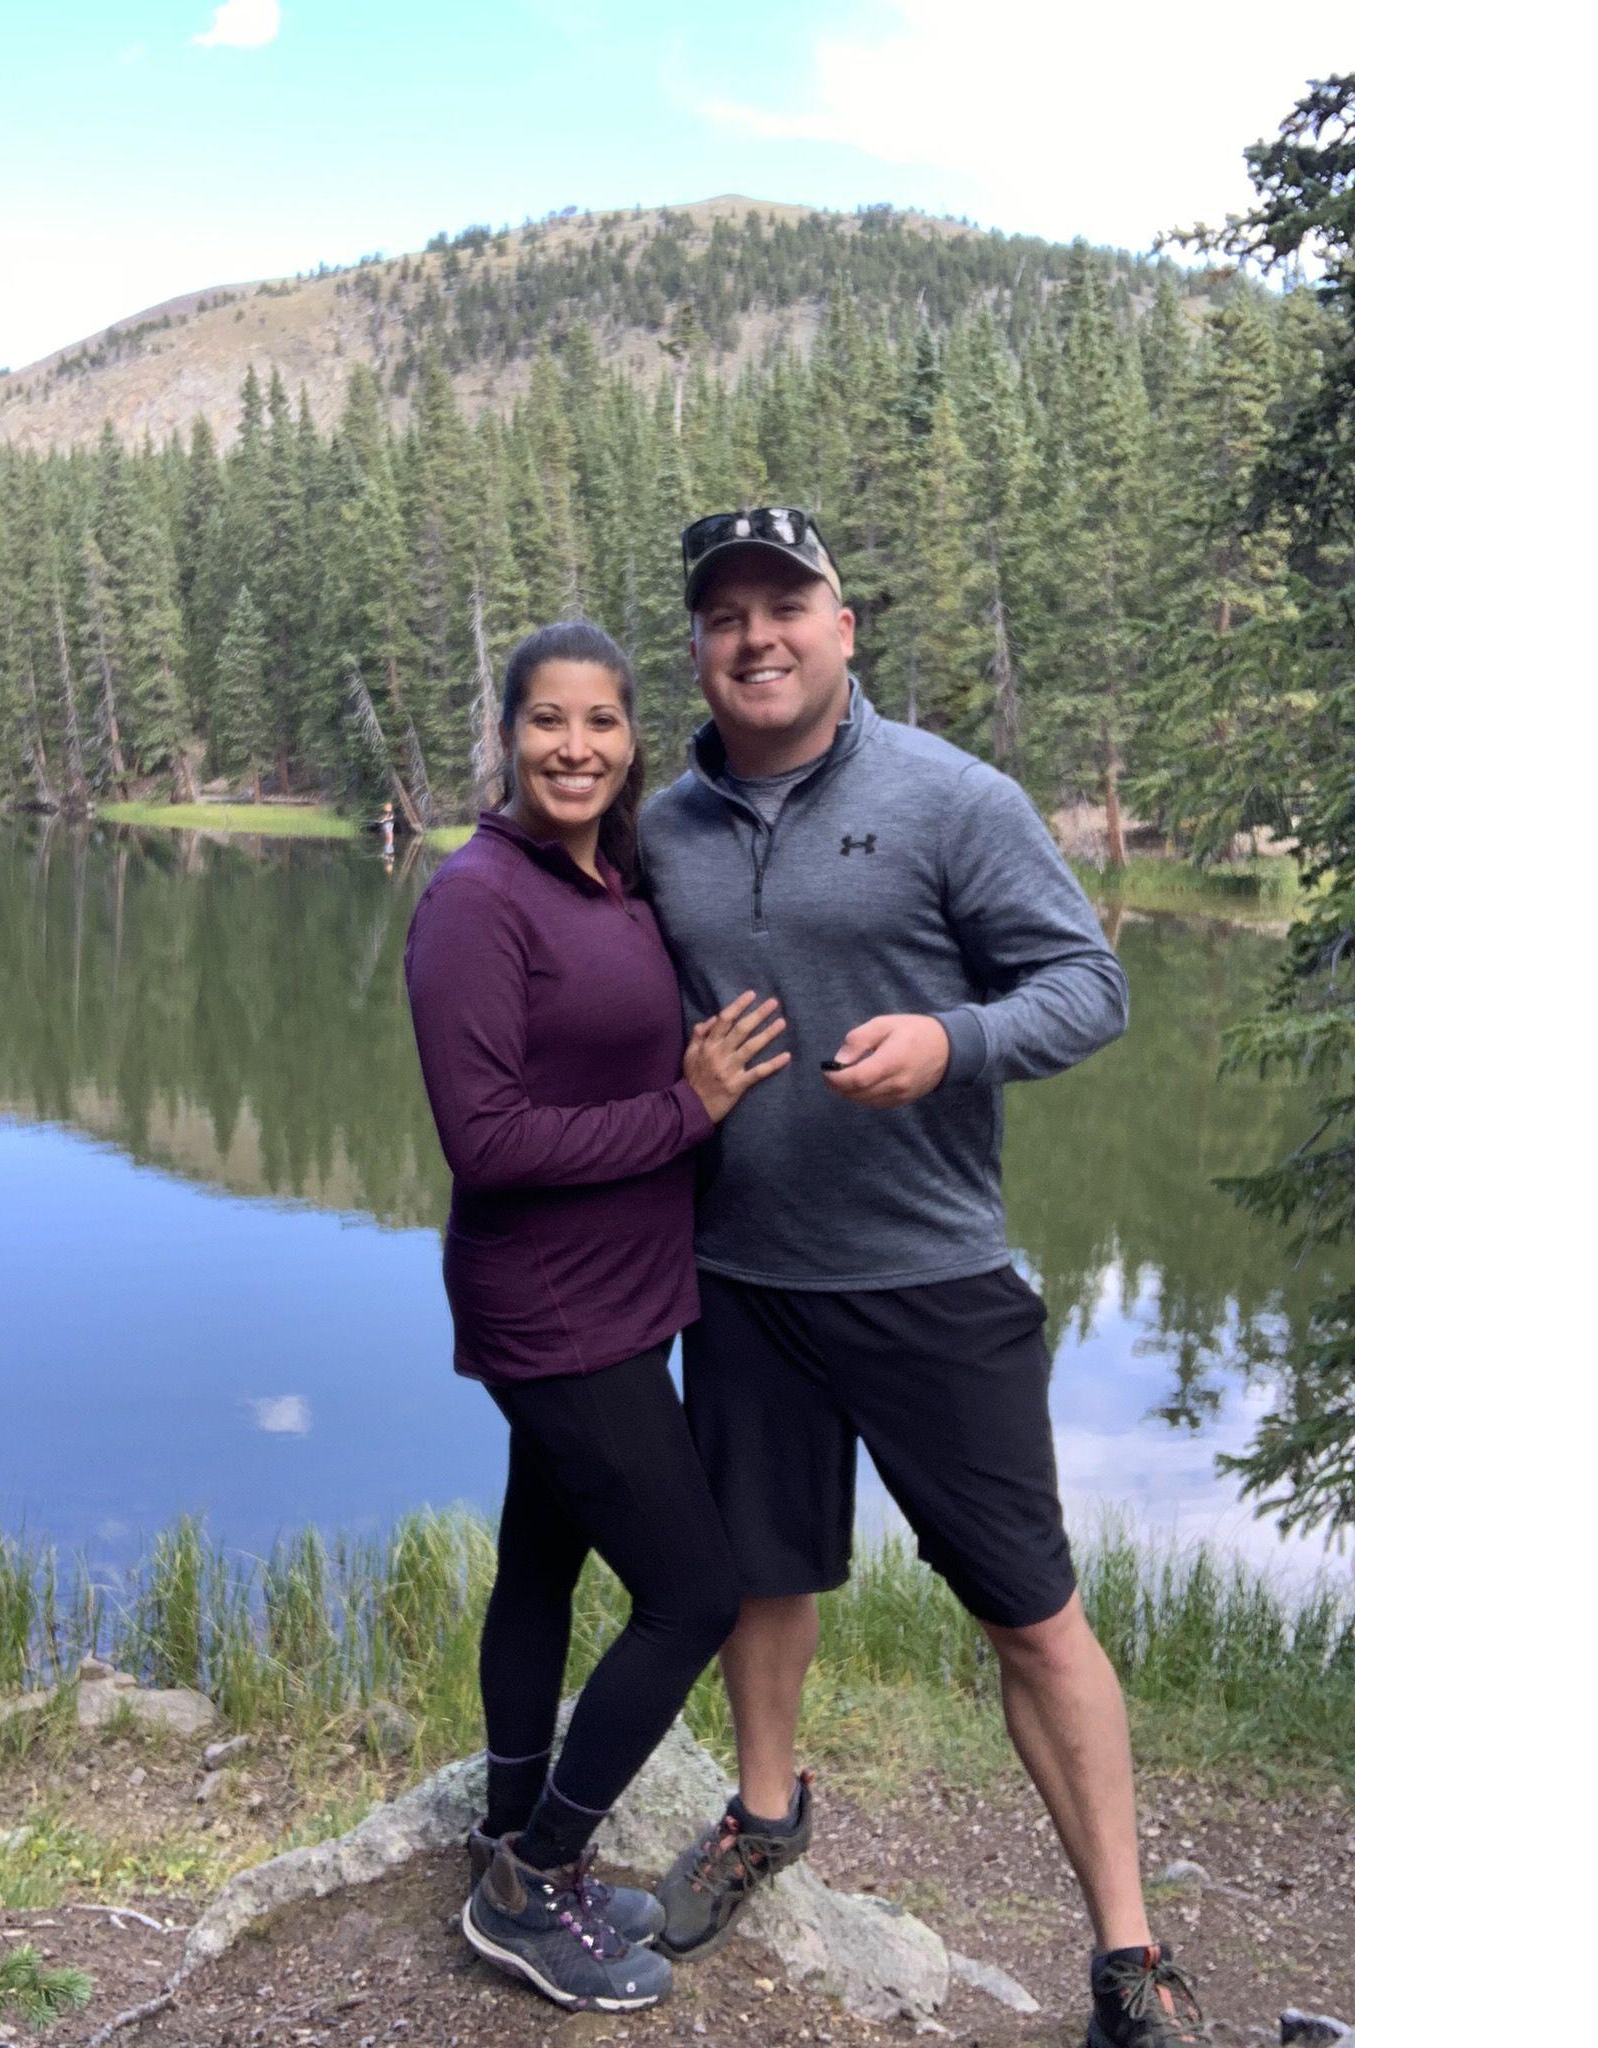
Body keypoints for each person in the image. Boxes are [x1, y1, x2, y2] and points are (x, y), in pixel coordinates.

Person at [637, 510, 1205, 2047]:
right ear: (700, 644)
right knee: (765, 1574)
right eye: (725, 616)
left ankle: (1128, 1956)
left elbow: (1091, 987)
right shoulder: (665, 824)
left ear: (843, 627)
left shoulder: (953, 797)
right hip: (744, 1279)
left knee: (1032, 1615)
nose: (756, 638)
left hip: (931, 1281)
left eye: (786, 607)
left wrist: (955, 1039)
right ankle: (767, 1812)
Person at [402, 619, 789, 2014]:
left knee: (542, 1560)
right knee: (692, 1592)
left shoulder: (612, 879)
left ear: (633, 736)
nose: (575, 747)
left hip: (626, 1294)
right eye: (547, 722)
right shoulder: (475, 900)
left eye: (602, 723)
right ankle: (535, 1881)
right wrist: (687, 1108)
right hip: (552, 1304)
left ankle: (509, 1822)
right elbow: (490, 1139)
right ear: (507, 734)